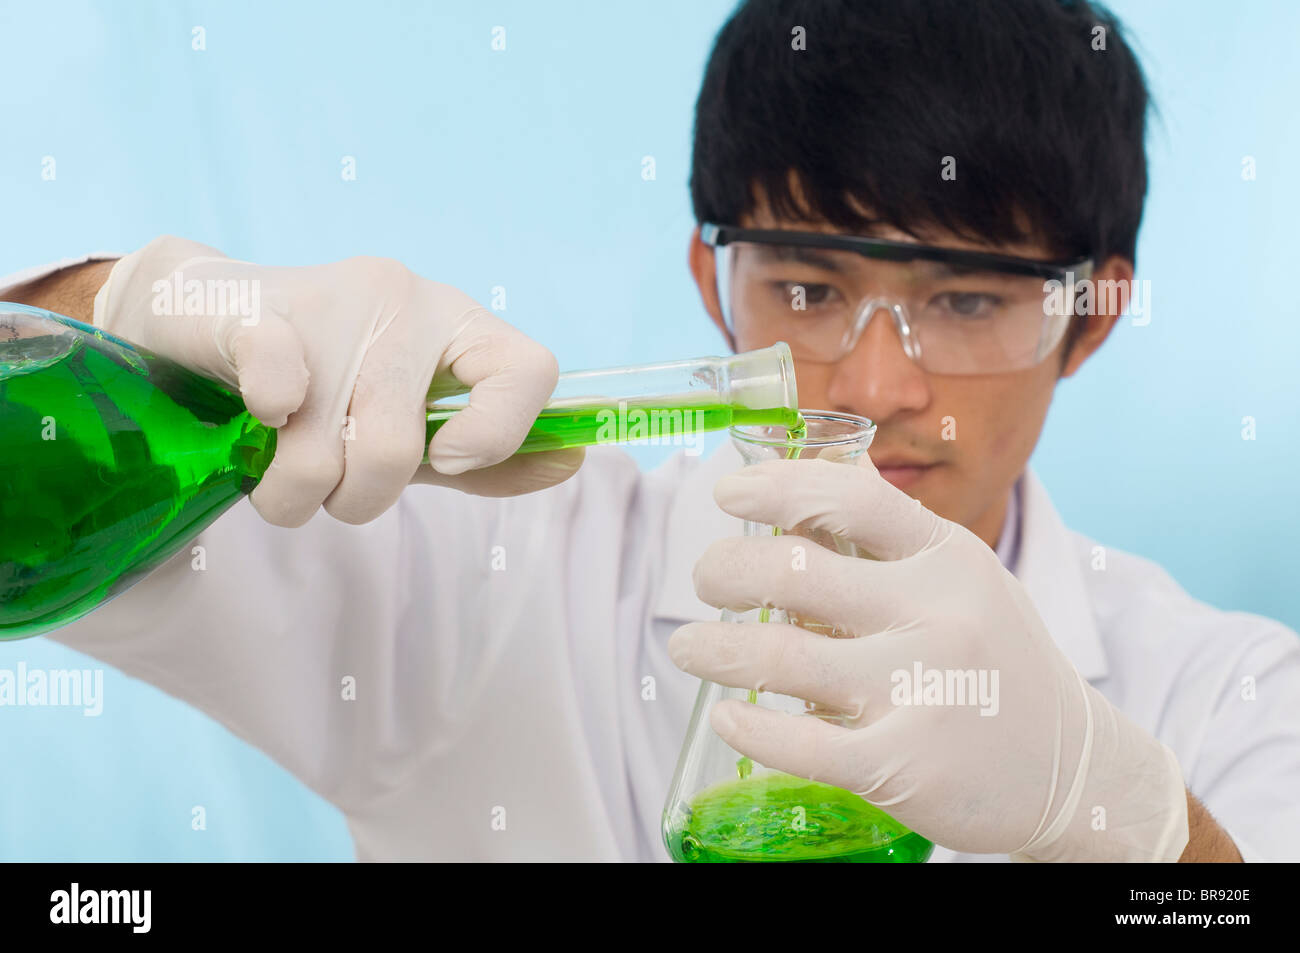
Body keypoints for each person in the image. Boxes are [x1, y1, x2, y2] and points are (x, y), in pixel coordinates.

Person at [3, 0, 1297, 862]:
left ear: (1094, 316)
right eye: (807, 286)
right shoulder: (486, 570)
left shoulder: (1226, 691)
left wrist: (1121, 812)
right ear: (706, 280)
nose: (874, 382)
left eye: (967, 300)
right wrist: (130, 315)